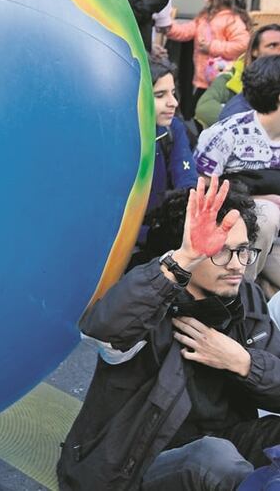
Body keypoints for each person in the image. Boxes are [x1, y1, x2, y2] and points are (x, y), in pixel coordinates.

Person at [58, 177, 280, 490]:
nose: (237, 265)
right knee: (211, 459)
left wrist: (243, 362)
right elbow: (103, 328)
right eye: (220, 251)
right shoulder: (151, 299)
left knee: (223, 456)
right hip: (134, 465)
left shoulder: (247, 298)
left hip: (226, 445)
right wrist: (183, 260)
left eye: (243, 250)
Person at [196, 56, 280, 295]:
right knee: (267, 214)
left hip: (275, 243)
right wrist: (259, 200)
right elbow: (200, 190)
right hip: (236, 238)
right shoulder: (227, 133)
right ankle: (239, 296)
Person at [167, 0, 251, 102]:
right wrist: (168, 26)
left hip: (222, 81)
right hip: (203, 79)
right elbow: (187, 31)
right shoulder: (205, 16)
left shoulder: (232, 19)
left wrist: (211, 46)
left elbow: (243, 44)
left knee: (203, 111)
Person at [196, 24, 280, 129]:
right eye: (272, 45)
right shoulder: (229, 78)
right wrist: (247, 123)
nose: (279, 51)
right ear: (255, 51)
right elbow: (204, 108)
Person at [147, 59, 195, 216]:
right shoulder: (111, 137)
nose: (173, 102)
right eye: (160, 95)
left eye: (173, 93)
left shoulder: (173, 128)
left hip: (157, 228)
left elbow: (187, 180)